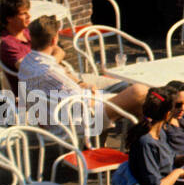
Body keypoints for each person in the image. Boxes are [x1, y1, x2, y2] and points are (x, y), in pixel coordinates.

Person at [18, 15, 149, 120]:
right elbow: (85, 103)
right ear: (54, 40)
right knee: (140, 92)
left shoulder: (27, 62)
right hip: (81, 119)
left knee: (129, 88)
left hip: (58, 113)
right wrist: (93, 91)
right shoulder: (51, 71)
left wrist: (83, 85)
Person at [1, 0, 32, 91]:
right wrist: (52, 63)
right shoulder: (7, 44)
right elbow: (31, 69)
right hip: (32, 93)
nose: (29, 16)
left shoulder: (28, 31)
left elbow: (58, 49)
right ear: (9, 18)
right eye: (23, 13)